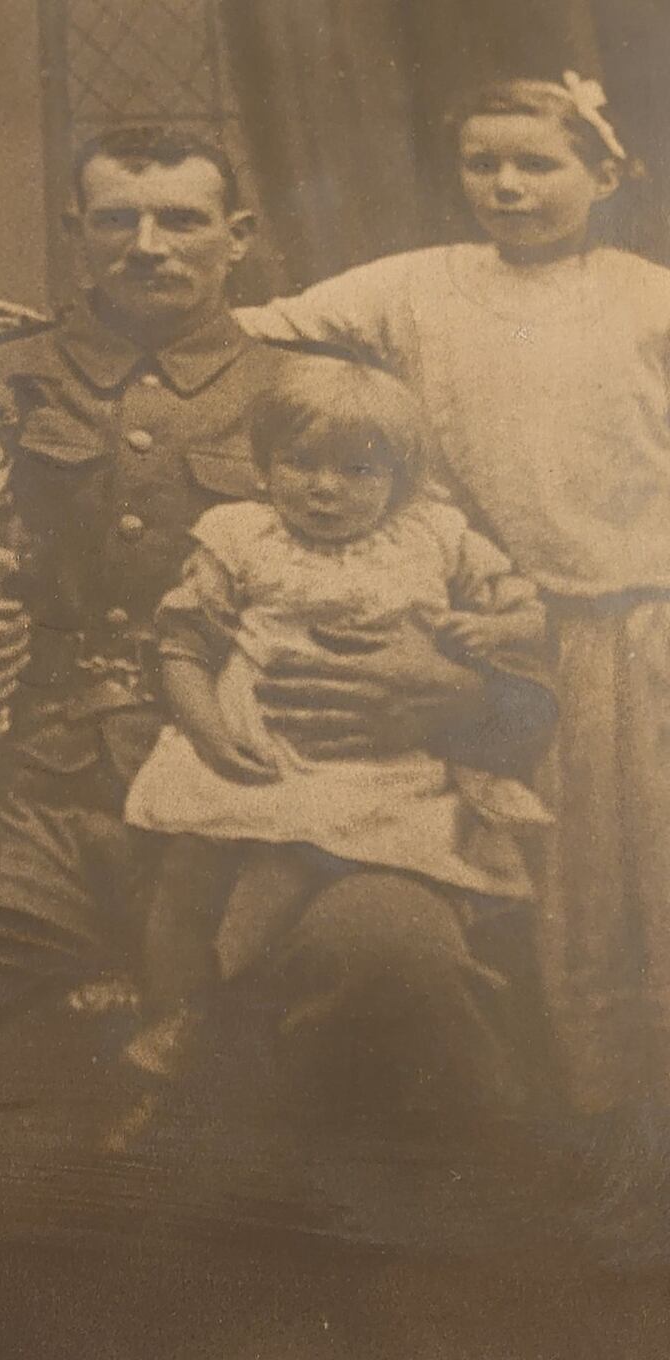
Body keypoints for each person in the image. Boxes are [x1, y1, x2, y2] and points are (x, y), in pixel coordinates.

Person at [0, 127, 537, 1109]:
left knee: (392, 952)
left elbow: (469, 588)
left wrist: (461, 690)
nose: (147, 245)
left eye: (180, 219)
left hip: (294, 805)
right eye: (116, 220)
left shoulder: (325, 391)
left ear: (238, 236)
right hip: (29, 808)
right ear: (76, 233)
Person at [236, 72, 670, 1116]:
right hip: (478, 631)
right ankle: (539, 1110)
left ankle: (633, 1117)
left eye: (536, 163)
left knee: (628, 874)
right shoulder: (418, 285)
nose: (505, 185)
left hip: (630, 624)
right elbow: (250, 330)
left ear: (604, 173)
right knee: (509, 873)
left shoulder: (648, 296)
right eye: (482, 163)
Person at [122, 355, 550, 1112]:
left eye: (357, 471)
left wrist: (488, 626)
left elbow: (528, 609)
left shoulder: (434, 538)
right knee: (190, 867)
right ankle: (169, 1011)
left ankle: (217, 1008)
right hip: (252, 752)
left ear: (401, 480)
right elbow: (181, 646)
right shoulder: (240, 536)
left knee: (303, 872)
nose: (324, 489)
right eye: (300, 464)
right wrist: (212, 735)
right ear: (264, 465)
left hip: (372, 767)